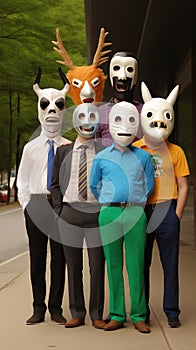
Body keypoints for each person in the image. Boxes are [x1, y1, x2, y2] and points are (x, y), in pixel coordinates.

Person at [90, 101, 154, 333]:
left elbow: (149, 185)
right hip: (109, 213)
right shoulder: (101, 157)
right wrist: (109, 204)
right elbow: (94, 185)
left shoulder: (144, 157)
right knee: (113, 266)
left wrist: (135, 204)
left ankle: (139, 315)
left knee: (137, 266)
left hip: (135, 213)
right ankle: (117, 314)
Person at [133, 82, 190, 328]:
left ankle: (172, 311)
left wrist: (176, 214)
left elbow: (184, 184)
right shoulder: (135, 149)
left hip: (167, 210)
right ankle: (141, 312)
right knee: (141, 264)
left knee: (170, 265)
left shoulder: (176, 151)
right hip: (143, 212)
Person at [17, 68, 70, 325]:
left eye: (58, 105)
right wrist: (28, 205)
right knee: (37, 257)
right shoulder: (30, 148)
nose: (51, 111)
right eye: (46, 105)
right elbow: (22, 181)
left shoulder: (69, 146)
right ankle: (38, 307)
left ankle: (56, 307)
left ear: (63, 109)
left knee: (59, 258)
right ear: (39, 107)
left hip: (60, 205)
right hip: (37, 203)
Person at [51, 103, 106, 329]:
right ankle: (77, 312)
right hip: (70, 214)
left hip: (96, 215)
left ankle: (96, 314)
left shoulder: (103, 151)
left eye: (91, 117)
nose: (86, 122)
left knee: (97, 266)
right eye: (82, 118)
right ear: (75, 122)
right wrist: (59, 211)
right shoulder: (63, 151)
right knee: (73, 266)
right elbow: (54, 184)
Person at [95, 51, 143, 146]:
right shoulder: (100, 113)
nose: (123, 77)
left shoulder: (144, 111)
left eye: (129, 69)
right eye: (117, 68)